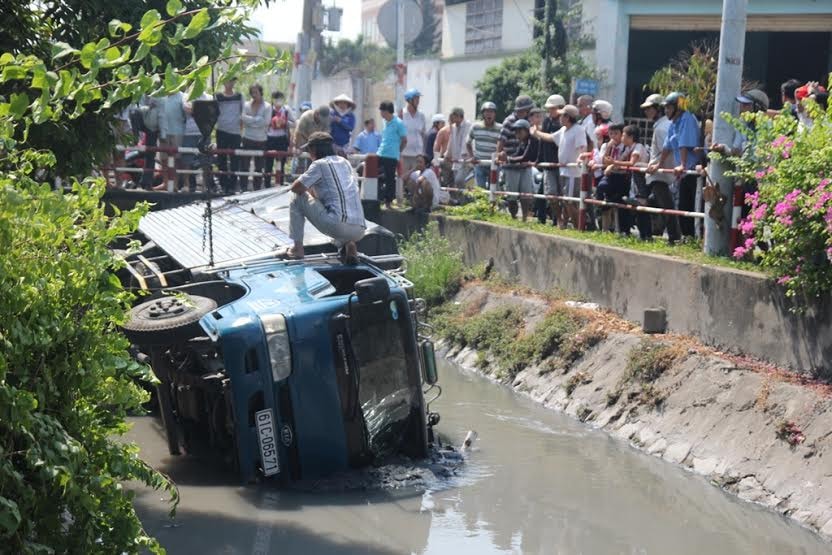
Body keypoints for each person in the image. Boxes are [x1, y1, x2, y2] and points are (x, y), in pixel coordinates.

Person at [286, 132, 366, 263]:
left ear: (314, 149)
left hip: (338, 225)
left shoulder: (319, 164)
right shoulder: (344, 162)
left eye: (309, 149)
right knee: (334, 209)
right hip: (360, 229)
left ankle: (297, 249)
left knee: (296, 197)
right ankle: (350, 244)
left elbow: (297, 188)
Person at [648, 92, 701, 241]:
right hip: (684, 172)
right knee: (684, 205)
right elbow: (668, 145)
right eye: (665, 108)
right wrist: (659, 164)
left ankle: (695, 238)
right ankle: (687, 237)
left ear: (678, 108)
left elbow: (684, 142)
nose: (666, 111)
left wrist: (682, 165)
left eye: (669, 108)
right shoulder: (674, 122)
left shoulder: (687, 119)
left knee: (693, 205)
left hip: (692, 169)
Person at [533, 104, 586, 228]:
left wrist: (580, 157)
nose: (559, 117)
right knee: (566, 201)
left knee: (570, 201)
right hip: (563, 171)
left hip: (573, 172)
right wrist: (536, 132)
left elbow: (582, 148)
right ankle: (574, 225)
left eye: (562, 115)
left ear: (568, 117)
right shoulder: (563, 130)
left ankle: (579, 227)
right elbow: (550, 137)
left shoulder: (578, 130)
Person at [641, 93, 677, 241]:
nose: (647, 112)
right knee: (655, 202)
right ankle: (656, 230)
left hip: (660, 174)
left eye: (650, 108)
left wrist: (657, 165)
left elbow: (666, 149)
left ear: (658, 109)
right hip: (659, 172)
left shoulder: (662, 128)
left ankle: (674, 236)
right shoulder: (663, 125)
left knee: (666, 205)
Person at [607, 125, 649, 239]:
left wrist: (615, 162)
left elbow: (631, 163)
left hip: (641, 181)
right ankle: (641, 234)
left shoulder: (638, 147)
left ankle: (646, 235)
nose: (622, 138)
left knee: (642, 207)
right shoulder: (630, 148)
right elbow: (620, 160)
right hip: (634, 181)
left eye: (624, 135)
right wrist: (613, 162)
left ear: (631, 137)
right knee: (636, 208)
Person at [536, 94, 564, 225]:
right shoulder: (547, 121)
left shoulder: (564, 124)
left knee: (562, 194)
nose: (550, 111)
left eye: (552, 108)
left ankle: (558, 220)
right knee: (549, 193)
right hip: (548, 164)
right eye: (549, 109)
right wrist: (539, 158)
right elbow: (542, 141)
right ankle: (550, 218)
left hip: (562, 164)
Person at [501, 119, 535, 221]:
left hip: (526, 168)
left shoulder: (531, 140)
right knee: (512, 196)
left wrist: (508, 159)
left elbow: (525, 157)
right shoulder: (523, 142)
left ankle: (524, 217)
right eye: (516, 131)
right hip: (517, 168)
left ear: (526, 131)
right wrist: (508, 158)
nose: (517, 134)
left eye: (520, 131)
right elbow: (518, 154)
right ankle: (514, 217)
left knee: (526, 194)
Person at [238, 84, 270, 191]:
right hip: (247, 138)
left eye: (256, 92)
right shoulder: (246, 105)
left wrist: (250, 120)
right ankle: (243, 188)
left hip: (261, 140)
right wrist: (257, 120)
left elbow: (265, 122)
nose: (254, 95)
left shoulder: (267, 106)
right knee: (244, 165)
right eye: (252, 92)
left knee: (259, 167)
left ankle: (257, 189)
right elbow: (242, 118)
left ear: (261, 92)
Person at [377, 100, 407, 209]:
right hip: (380, 152)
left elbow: (404, 140)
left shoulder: (398, 123)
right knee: (371, 172)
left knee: (390, 179)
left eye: (381, 111)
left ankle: (388, 202)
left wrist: (398, 151)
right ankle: (378, 197)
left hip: (392, 155)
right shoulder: (384, 122)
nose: (380, 114)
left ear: (386, 111)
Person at [215, 79, 244, 193]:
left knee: (234, 159)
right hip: (221, 130)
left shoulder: (239, 96)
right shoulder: (218, 97)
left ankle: (232, 185)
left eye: (231, 81)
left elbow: (243, 112)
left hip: (235, 132)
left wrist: (240, 129)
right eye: (227, 81)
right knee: (221, 159)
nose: (229, 83)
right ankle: (223, 184)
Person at [466, 101, 502, 189]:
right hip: (480, 163)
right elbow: (468, 142)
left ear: (495, 114)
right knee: (480, 189)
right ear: (483, 114)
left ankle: (493, 203)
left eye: (491, 112)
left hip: (494, 164)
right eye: (487, 112)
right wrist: (472, 156)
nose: (489, 114)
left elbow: (503, 145)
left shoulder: (500, 128)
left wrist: (498, 156)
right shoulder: (475, 127)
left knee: (494, 190)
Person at [156, 91, 186, 191]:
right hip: (163, 131)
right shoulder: (161, 94)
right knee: (164, 159)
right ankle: (165, 183)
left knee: (176, 159)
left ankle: (175, 184)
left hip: (177, 131)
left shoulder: (182, 96)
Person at [264, 91, 294, 188]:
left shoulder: (286, 109)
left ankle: (280, 184)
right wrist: (272, 122)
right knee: (268, 163)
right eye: (276, 98)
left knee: (281, 162)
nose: (278, 101)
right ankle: (267, 185)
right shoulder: (268, 109)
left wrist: (285, 122)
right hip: (270, 139)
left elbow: (294, 123)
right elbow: (263, 122)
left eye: (280, 98)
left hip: (282, 139)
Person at [438, 107, 472, 189]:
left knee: (459, 180)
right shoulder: (453, 127)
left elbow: (466, 141)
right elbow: (451, 142)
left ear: (460, 116)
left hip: (465, 160)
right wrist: (447, 155)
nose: (452, 119)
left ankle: (466, 198)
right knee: (457, 184)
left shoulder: (468, 125)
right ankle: (461, 200)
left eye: (454, 117)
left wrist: (464, 154)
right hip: (456, 160)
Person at [294, 105, 331, 174]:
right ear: (316, 113)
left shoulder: (327, 119)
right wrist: (297, 147)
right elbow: (298, 133)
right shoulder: (305, 117)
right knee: (301, 162)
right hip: (303, 140)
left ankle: (311, 181)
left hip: (316, 142)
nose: (323, 120)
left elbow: (326, 134)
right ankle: (298, 180)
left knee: (313, 164)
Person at [401, 88, 426, 177]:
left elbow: (423, 134)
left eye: (418, 98)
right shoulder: (402, 114)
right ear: (409, 100)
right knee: (402, 179)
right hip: (404, 154)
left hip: (417, 155)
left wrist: (423, 153)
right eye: (416, 98)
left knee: (416, 180)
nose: (418, 101)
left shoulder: (421, 115)